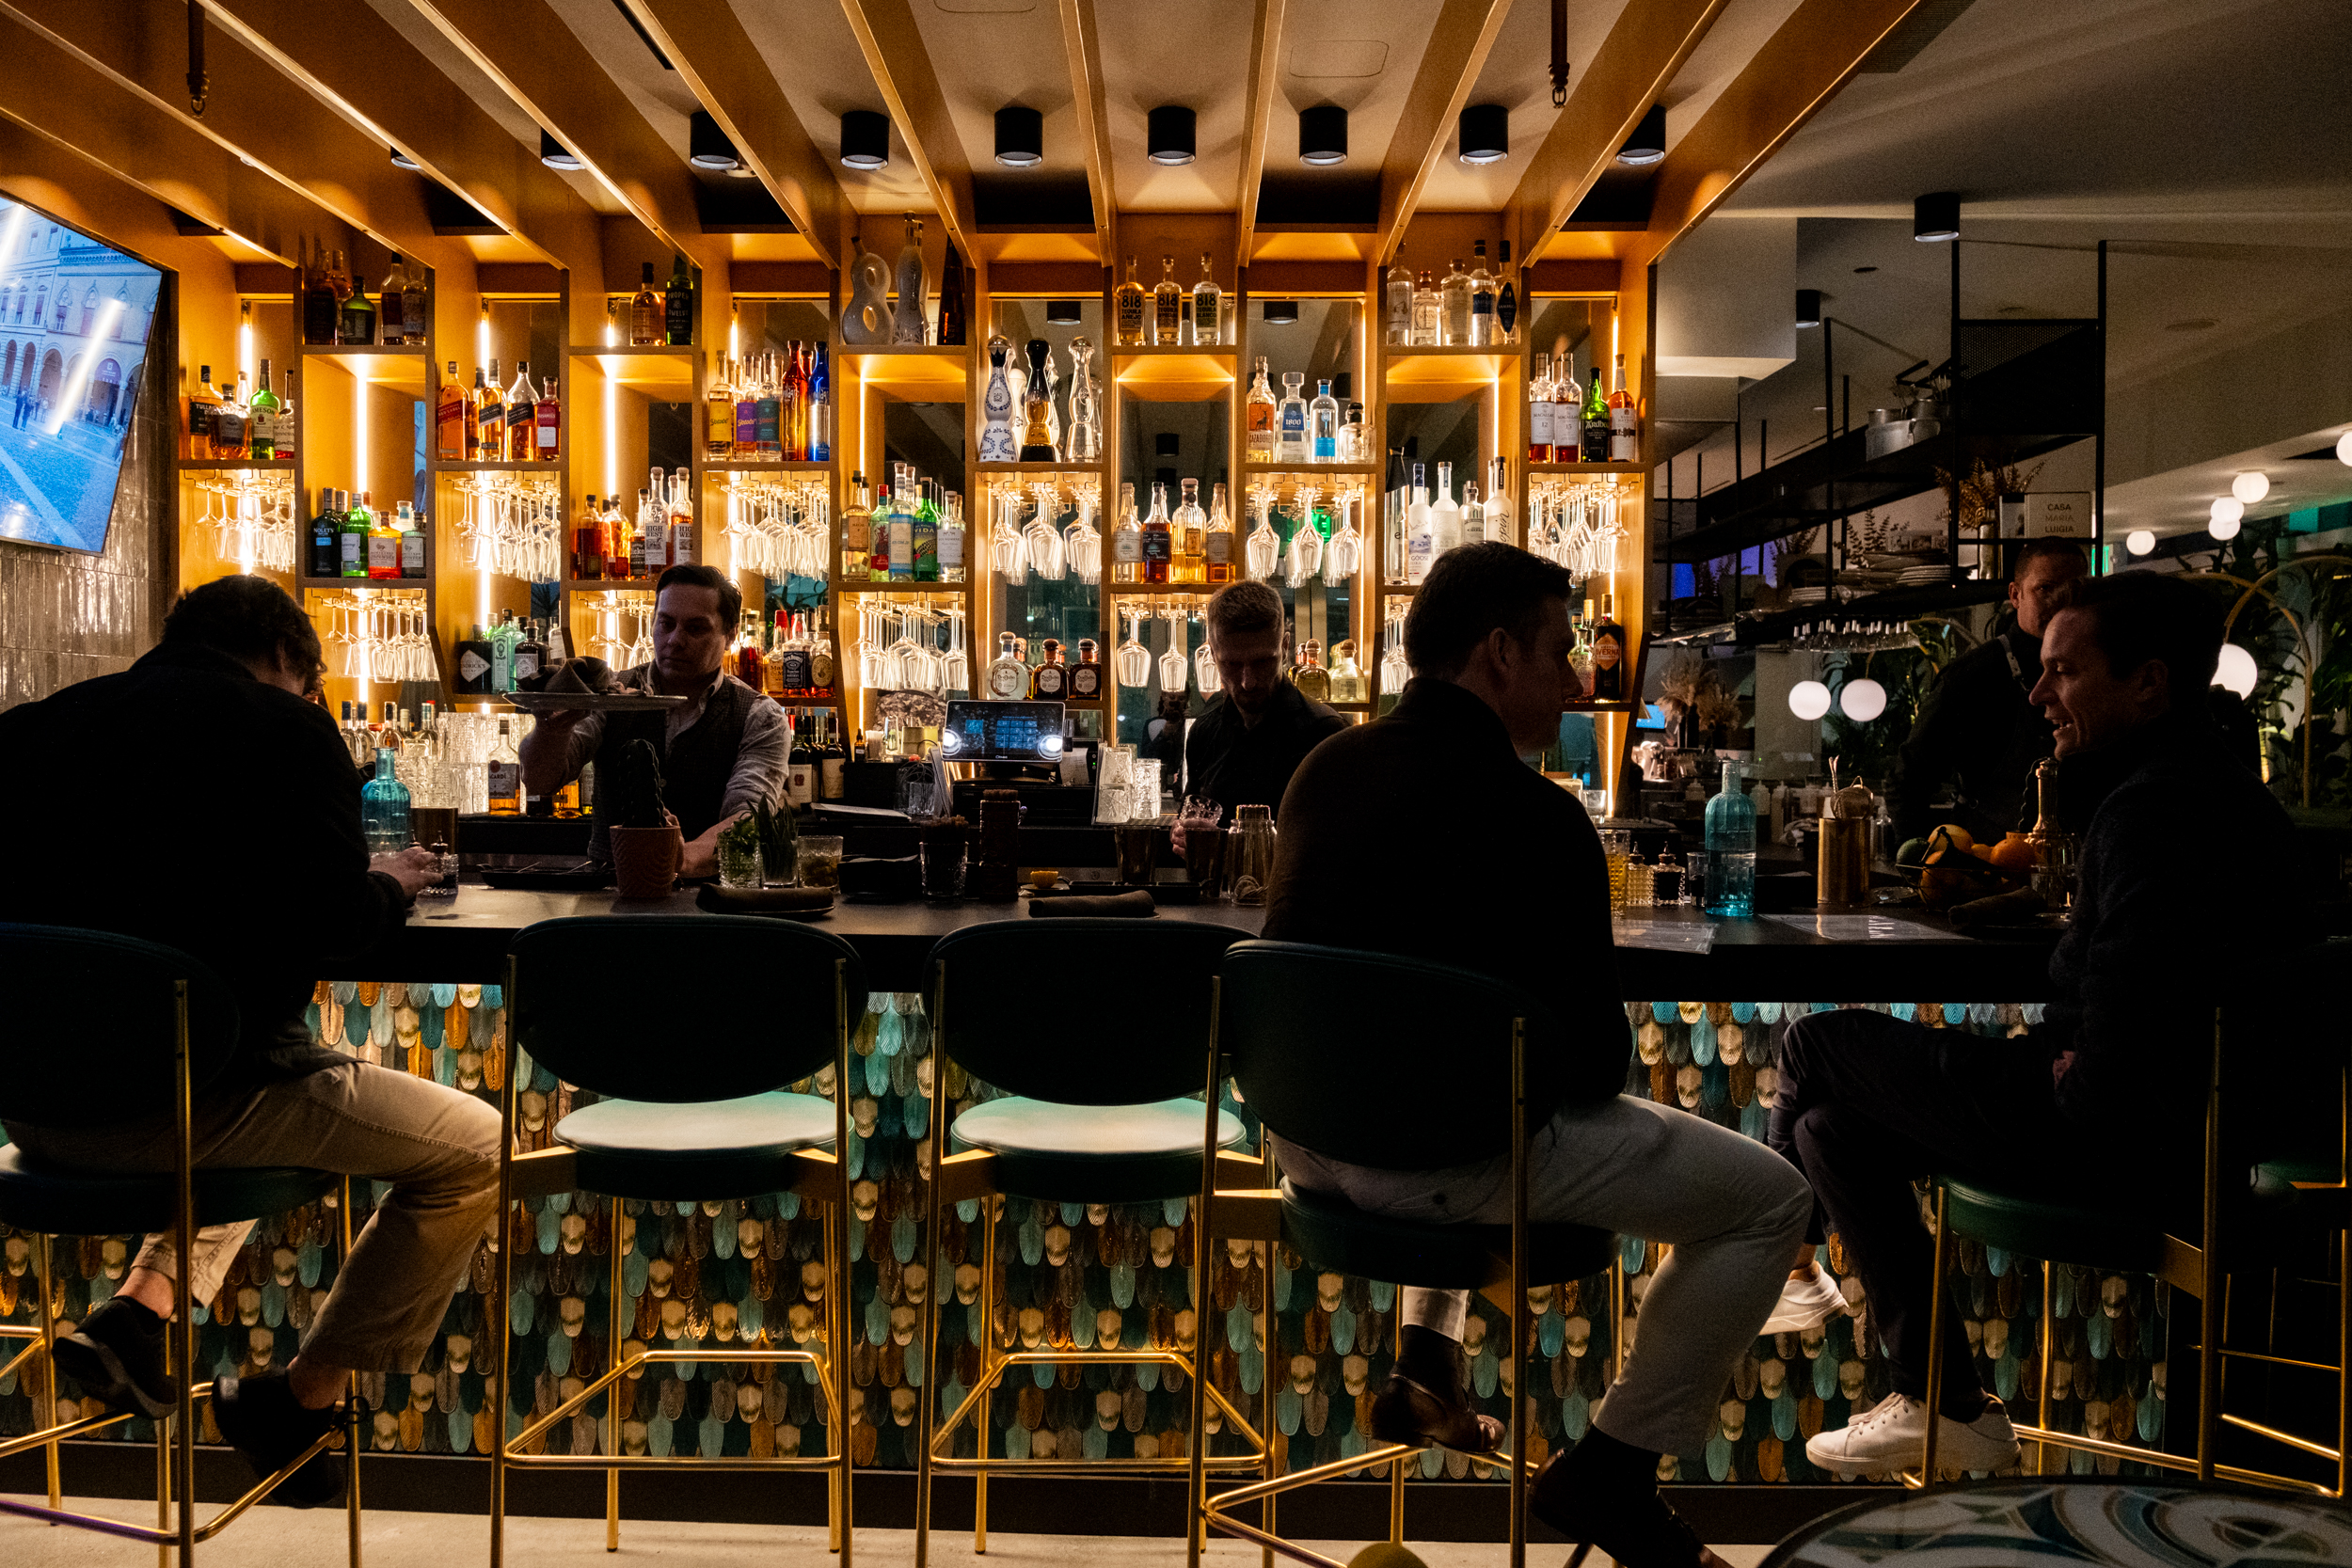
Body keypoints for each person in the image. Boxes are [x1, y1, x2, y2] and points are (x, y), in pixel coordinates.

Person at [1263, 544, 1809, 1568]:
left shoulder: (1323, 766)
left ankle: (1426, 1354)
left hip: (1307, 1140)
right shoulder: (1539, 814)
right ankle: (1614, 1465)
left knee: (1467, 1084)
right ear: (1499, 651)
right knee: (1769, 1196)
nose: (1575, 676)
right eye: (1560, 651)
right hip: (1440, 1162)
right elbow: (1596, 1062)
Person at [1772, 571, 2298, 1476]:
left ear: (2149, 683)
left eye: (2063, 671)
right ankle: (1947, 1404)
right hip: (2182, 1135)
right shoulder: (2217, 793)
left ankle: (1773, 1263)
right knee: (1829, 1129)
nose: (2037, 692)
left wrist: (2060, 1073)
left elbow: (2121, 1049)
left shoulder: (2151, 814)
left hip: (2119, 1142)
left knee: (1814, 1044)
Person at [0, 575, 500, 1502]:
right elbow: (334, 922)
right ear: (289, 663)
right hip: (185, 1102)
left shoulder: (34, 726)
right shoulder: (284, 730)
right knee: (476, 1145)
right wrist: (390, 880)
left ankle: (139, 1319)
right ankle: (300, 1403)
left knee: (258, 1072)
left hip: (31, 1113)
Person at [521, 562, 787, 879]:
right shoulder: (611, 695)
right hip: (610, 896)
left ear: (730, 634)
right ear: (652, 623)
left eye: (696, 628)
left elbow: (748, 814)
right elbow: (539, 781)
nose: (675, 639)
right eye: (666, 623)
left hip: (712, 903)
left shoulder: (760, 715)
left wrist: (681, 859)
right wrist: (552, 728)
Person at [1886, 538, 2089, 845]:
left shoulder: (2100, 669)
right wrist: (1920, 868)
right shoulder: (1972, 676)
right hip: (1987, 867)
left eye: (2072, 591)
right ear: (2015, 595)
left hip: (2078, 861)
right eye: (2046, 589)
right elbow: (1908, 780)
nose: (2060, 602)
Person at [1179, 579, 1344, 829]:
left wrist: (1222, 844)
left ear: (1285, 647)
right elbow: (1190, 815)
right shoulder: (1204, 730)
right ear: (1212, 653)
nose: (1248, 682)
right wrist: (1184, 834)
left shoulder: (1325, 733)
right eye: (1232, 664)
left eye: (1262, 662)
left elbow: (1337, 846)